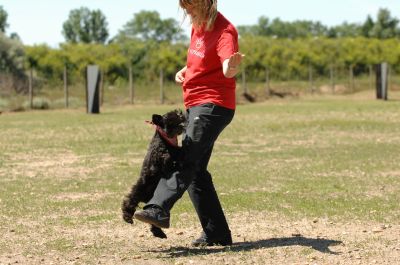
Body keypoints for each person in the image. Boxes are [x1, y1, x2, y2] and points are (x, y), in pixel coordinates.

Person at [134, 0, 244, 246]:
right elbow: (204, 59)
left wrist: (232, 66)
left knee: (186, 159)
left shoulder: (225, 31)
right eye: (185, 6)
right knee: (196, 172)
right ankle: (217, 233)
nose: (187, 10)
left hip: (213, 106)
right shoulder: (198, 25)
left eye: (191, 5)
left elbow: (226, 65)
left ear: (206, 3)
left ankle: (157, 207)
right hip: (196, 104)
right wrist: (187, 70)